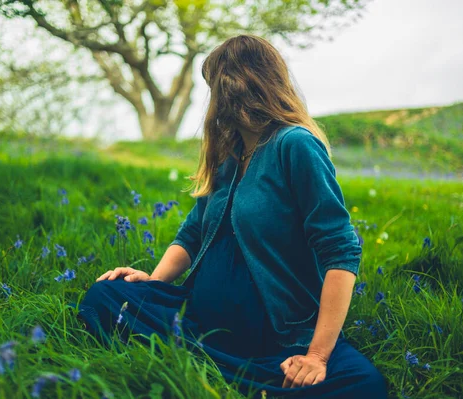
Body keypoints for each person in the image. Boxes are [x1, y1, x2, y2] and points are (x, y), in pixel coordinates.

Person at [75, 34, 388, 398]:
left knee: (362, 386)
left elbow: (340, 250)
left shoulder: (295, 145)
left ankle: (228, 371)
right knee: (105, 297)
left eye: (215, 85)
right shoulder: (229, 155)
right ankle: (230, 373)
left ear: (238, 83)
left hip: (274, 333)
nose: (213, 99)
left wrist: (316, 356)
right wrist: (153, 282)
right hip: (201, 321)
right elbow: (191, 235)